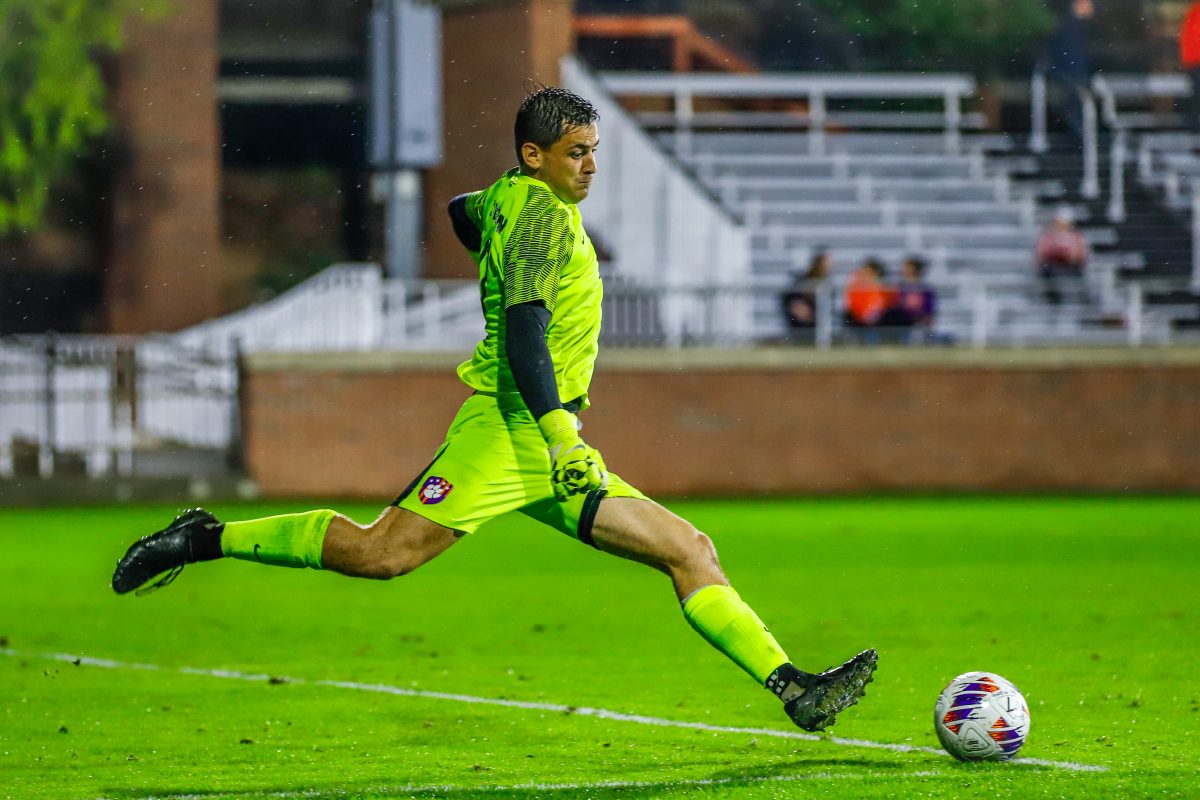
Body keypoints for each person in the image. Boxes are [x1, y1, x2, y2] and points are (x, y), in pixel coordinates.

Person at [110, 87, 877, 733]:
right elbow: (522, 335)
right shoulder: (542, 217)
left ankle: (794, 690)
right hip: (513, 434)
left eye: (594, 149)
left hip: (545, 443)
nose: (591, 165)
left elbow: (458, 208)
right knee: (384, 555)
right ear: (535, 154)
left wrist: (489, 247)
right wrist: (560, 434)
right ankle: (203, 539)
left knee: (688, 549)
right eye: (576, 151)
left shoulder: (508, 196)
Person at [1044, 0, 1094, 144]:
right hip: (1071, 78)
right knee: (1075, 110)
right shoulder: (1069, 28)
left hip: (1075, 77)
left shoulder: (1078, 28)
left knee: (1077, 110)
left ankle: (1081, 141)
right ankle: (1080, 141)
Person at [1035, 207, 1090, 304]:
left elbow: (1080, 255)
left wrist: (1068, 255)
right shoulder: (1047, 235)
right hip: (1053, 267)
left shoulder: (1076, 236)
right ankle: (1053, 298)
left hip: (1071, 267)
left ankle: (1083, 300)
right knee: (1047, 270)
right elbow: (1042, 253)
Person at [780, 249, 831, 342]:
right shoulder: (804, 280)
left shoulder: (827, 281)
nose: (829, 265)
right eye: (826, 262)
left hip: (818, 323)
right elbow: (790, 300)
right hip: (802, 325)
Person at [895, 256, 938, 344]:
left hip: (918, 318)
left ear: (915, 269)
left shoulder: (924, 288)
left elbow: (929, 308)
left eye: (907, 267)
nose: (903, 269)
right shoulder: (898, 287)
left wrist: (925, 317)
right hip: (902, 318)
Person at [1180, 2, 1200, 131]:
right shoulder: (1195, 12)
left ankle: (1193, 124)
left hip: (1193, 61)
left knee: (1196, 95)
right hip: (1195, 61)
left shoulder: (1193, 11)